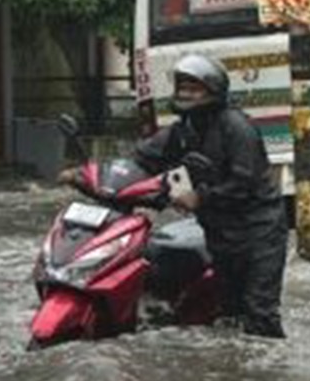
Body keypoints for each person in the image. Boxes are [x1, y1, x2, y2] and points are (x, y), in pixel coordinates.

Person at [68, 54, 289, 339]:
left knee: (260, 313)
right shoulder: (181, 131)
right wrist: (90, 175)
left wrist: (200, 198)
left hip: (259, 233)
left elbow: (244, 182)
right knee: (230, 313)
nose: (186, 94)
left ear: (213, 91)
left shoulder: (236, 127)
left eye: (194, 88)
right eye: (182, 87)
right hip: (219, 233)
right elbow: (142, 160)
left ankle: (267, 374)